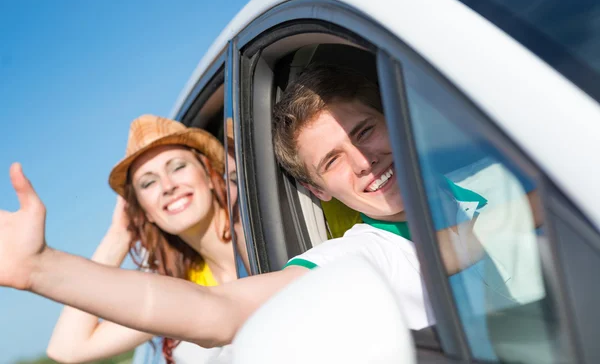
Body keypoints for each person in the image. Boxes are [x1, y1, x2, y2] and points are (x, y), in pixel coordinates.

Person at [0, 65, 535, 347]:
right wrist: (42, 267)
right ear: (318, 191)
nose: (363, 161)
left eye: (365, 130)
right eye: (331, 162)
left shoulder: (508, 175)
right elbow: (220, 311)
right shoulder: (365, 258)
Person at [46, 114, 248, 364]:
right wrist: (118, 236)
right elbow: (67, 348)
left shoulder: (262, 227)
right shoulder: (181, 289)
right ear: (145, 212)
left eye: (177, 167)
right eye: (148, 183)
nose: (167, 186)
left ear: (208, 174)